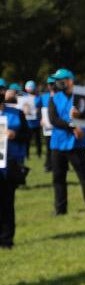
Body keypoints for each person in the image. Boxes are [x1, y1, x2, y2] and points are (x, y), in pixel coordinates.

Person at [48, 68, 85, 215]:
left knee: (84, 176)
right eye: (56, 81)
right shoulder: (54, 98)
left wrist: (80, 114)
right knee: (58, 178)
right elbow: (53, 120)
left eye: (60, 80)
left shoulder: (83, 95)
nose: (57, 83)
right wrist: (71, 127)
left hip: (76, 143)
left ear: (70, 81)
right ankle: (60, 209)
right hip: (58, 143)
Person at [0, 79, 30, 249]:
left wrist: (15, 135)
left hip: (10, 165)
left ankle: (6, 240)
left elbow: (27, 136)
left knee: (7, 203)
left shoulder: (17, 114)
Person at [40, 76, 57, 172]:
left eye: (53, 84)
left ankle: (58, 165)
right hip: (47, 126)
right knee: (48, 146)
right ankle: (48, 165)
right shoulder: (44, 97)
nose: (51, 86)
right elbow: (41, 110)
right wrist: (41, 119)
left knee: (57, 147)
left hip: (58, 125)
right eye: (50, 84)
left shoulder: (60, 96)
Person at [23, 80, 42, 159]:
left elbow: (41, 108)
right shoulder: (24, 97)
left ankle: (39, 154)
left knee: (38, 140)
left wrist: (38, 110)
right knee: (27, 139)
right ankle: (26, 155)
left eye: (31, 88)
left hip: (36, 122)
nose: (30, 90)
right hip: (27, 122)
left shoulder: (38, 97)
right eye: (28, 88)